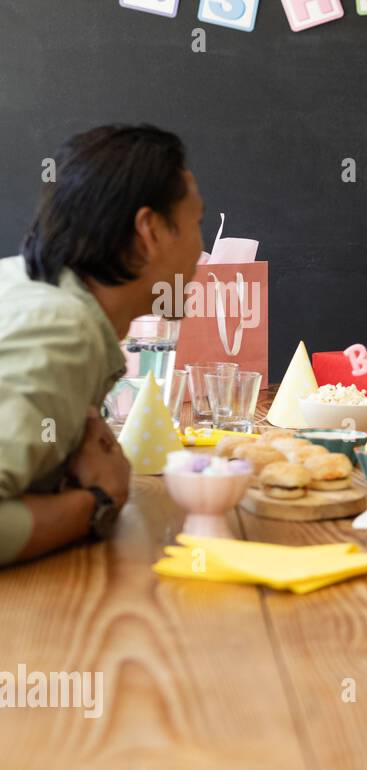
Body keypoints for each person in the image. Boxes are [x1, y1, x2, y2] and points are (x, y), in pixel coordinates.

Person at [0, 124, 204, 567]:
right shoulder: (62, 330)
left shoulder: (20, 280)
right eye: (197, 223)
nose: (201, 252)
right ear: (149, 232)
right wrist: (99, 501)